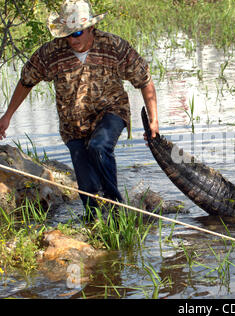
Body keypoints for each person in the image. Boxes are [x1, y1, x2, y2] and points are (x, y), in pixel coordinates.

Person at [0, 0, 159, 217]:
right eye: (67, 34)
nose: (72, 40)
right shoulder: (51, 53)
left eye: (77, 34)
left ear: (91, 28)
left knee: (99, 146)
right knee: (88, 191)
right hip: (72, 125)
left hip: (111, 112)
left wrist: (154, 120)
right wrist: (7, 116)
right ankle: (95, 223)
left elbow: (145, 80)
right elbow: (26, 81)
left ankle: (117, 209)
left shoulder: (114, 46)